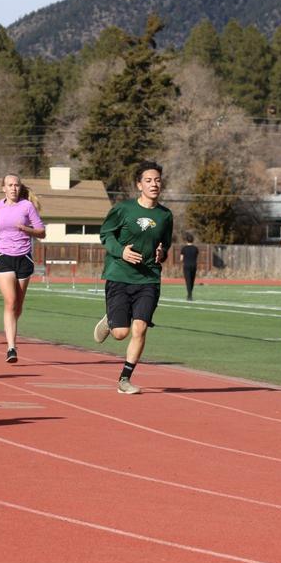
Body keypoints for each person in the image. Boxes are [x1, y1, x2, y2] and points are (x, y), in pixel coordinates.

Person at [92, 161, 173, 394]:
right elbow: (106, 235)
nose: (154, 184)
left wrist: (162, 253)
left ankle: (124, 379)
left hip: (148, 279)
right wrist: (121, 251)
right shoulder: (123, 209)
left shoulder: (165, 215)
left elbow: (165, 245)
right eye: (148, 180)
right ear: (139, 185)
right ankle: (111, 320)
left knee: (140, 329)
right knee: (121, 333)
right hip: (119, 275)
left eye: (157, 180)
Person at [0, 174, 45, 362]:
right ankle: (11, 347)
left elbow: (41, 232)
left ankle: (12, 325)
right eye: (10, 185)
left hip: (24, 257)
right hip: (3, 256)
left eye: (16, 185)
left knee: (17, 305)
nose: (13, 188)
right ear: (4, 188)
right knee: (10, 301)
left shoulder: (27, 206)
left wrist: (27, 229)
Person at [179, 233, 199, 300]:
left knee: (188, 280)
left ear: (186, 240)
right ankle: (190, 294)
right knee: (192, 280)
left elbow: (181, 259)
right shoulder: (195, 248)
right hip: (193, 265)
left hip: (186, 266)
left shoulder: (184, 248)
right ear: (192, 240)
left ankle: (189, 295)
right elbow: (196, 257)